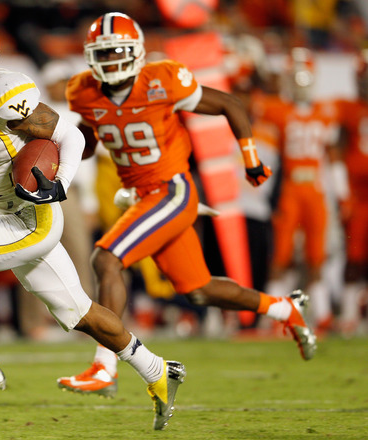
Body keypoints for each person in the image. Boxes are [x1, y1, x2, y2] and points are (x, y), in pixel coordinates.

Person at [0, 10, 185, 431]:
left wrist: (58, 184)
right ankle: (157, 370)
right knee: (79, 312)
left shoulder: (2, 92)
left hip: (31, 216)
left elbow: (71, 136)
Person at [55, 13, 317, 399]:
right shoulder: (83, 91)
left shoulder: (161, 80)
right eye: (103, 53)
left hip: (172, 189)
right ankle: (284, 309)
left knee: (106, 259)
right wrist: (63, 148)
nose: (110, 60)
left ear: (137, 53)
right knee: (199, 289)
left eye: (117, 52)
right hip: (142, 195)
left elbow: (228, 103)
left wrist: (249, 157)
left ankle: (105, 367)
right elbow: (91, 139)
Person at [260, 47, 348, 333]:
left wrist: (342, 193)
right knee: (282, 255)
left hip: (315, 191)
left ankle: (321, 315)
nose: (299, 82)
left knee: (316, 256)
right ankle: (274, 315)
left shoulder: (325, 111)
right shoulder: (278, 110)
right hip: (290, 188)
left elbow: (333, 156)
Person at [336, 48, 368, 336]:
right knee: (354, 257)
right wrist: (342, 192)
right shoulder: (348, 109)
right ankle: (348, 313)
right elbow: (337, 151)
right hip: (359, 196)